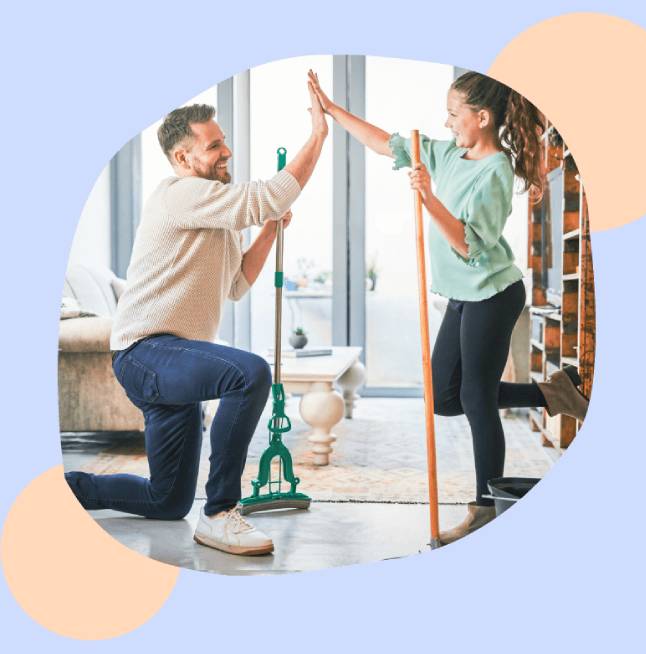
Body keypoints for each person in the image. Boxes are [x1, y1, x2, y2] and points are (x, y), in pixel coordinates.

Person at [308, 69, 588, 543]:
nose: (448, 120)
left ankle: (485, 507)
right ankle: (551, 395)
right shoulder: (446, 152)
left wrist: (428, 197)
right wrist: (333, 111)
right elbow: (385, 144)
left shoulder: (496, 169)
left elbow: (467, 245)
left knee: (477, 399)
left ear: (481, 117)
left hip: (495, 294)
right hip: (465, 294)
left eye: (455, 113)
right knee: (444, 395)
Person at [65, 83, 329, 556]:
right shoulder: (181, 193)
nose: (226, 151)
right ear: (183, 159)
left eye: (224, 140)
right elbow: (266, 196)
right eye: (214, 146)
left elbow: (237, 283)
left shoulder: (214, 214)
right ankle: (219, 514)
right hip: (145, 352)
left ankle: (64, 489)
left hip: (174, 359)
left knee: (166, 500)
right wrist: (318, 134)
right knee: (249, 373)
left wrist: (269, 228)